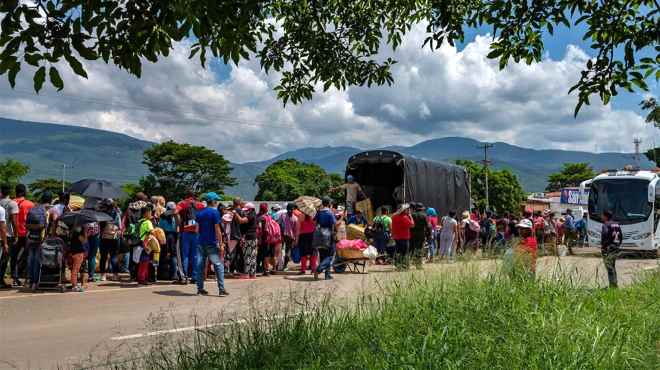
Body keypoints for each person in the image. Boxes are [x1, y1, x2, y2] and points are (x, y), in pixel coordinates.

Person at [195, 192, 228, 296]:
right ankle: (221, 289)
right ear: (213, 201)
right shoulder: (215, 213)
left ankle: (200, 289)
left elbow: (196, 229)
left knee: (200, 266)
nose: (217, 202)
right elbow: (217, 229)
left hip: (201, 243)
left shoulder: (199, 213)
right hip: (211, 244)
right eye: (216, 201)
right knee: (218, 265)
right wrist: (221, 243)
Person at [26, 191, 53, 291]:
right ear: (50, 200)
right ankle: (35, 283)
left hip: (31, 237)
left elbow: (27, 224)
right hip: (40, 239)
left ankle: (30, 281)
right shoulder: (47, 210)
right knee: (37, 261)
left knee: (31, 259)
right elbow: (46, 227)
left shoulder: (33, 208)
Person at [176, 192, 205, 283]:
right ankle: (195, 277)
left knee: (184, 255)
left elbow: (175, 211)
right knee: (195, 255)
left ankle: (184, 276)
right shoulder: (200, 204)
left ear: (186, 196)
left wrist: (178, 222)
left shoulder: (183, 203)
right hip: (197, 233)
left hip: (185, 232)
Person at [11, 184, 34, 287]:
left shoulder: (12, 203)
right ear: (24, 192)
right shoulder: (30, 204)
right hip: (26, 233)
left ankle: (15, 279)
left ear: (15, 191)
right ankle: (28, 278)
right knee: (29, 256)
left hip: (14, 234)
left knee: (14, 256)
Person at [98, 199, 122, 281]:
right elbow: (119, 226)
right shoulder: (117, 213)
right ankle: (115, 275)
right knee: (114, 256)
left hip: (104, 237)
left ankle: (102, 275)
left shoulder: (102, 213)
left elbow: (99, 226)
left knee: (103, 257)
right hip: (114, 237)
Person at [0, 184, 18, 289]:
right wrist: (16, 235)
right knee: (4, 259)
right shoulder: (12, 204)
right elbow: (15, 221)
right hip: (7, 235)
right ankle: (1, 280)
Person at [161, 202, 183, 283]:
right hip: (174, 236)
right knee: (174, 255)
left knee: (165, 254)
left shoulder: (163, 216)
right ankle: (174, 274)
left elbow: (160, 226)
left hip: (165, 235)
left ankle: (164, 274)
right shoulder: (176, 215)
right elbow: (178, 225)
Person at [314, 197, 336, 280]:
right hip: (328, 235)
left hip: (319, 235)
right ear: (329, 203)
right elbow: (334, 224)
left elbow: (315, 222)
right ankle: (319, 269)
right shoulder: (330, 213)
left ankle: (327, 275)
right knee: (330, 255)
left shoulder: (319, 212)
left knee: (323, 255)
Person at [600, 210, 622, 288]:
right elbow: (621, 237)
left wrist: (603, 247)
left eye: (602, 215)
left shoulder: (605, 224)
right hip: (616, 247)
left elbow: (605, 235)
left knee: (609, 267)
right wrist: (618, 245)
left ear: (605, 216)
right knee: (613, 266)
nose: (601, 217)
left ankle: (612, 286)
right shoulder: (617, 224)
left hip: (608, 248)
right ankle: (615, 283)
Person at [136, 204, 157, 285]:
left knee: (142, 262)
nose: (151, 214)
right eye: (149, 213)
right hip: (146, 243)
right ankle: (143, 279)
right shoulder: (148, 222)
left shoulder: (140, 221)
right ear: (145, 214)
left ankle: (141, 278)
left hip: (141, 243)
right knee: (145, 262)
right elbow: (152, 232)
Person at [390, 204, 415, 270]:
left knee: (398, 252)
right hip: (404, 237)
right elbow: (412, 225)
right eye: (407, 209)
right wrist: (410, 216)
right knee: (405, 252)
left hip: (396, 237)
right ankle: (404, 266)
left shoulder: (394, 217)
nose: (409, 211)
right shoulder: (404, 217)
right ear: (404, 210)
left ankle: (398, 265)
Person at [257, 203, 277, 276]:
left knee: (265, 255)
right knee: (272, 254)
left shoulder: (261, 218)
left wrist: (259, 238)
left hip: (265, 238)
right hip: (272, 238)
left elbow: (259, 229)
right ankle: (274, 269)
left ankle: (266, 270)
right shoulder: (269, 216)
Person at [279, 203, 299, 272]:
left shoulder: (283, 216)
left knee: (281, 250)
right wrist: (296, 239)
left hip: (282, 235)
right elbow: (296, 231)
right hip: (290, 237)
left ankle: (279, 265)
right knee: (288, 251)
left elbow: (279, 224)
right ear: (293, 209)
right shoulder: (295, 218)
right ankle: (284, 265)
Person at [69, 224, 88, 292]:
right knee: (75, 270)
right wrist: (85, 233)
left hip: (73, 252)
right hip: (78, 253)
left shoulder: (72, 231)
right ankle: (74, 285)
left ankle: (75, 284)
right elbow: (84, 241)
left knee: (74, 269)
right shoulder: (77, 233)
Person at [242, 202, 259, 279]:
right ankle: (253, 273)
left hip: (249, 237)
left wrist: (235, 214)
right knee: (253, 255)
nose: (246, 211)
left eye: (247, 210)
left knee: (247, 255)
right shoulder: (255, 215)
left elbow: (242, 221)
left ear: (251, 209)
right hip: (254, 237)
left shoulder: (251, 215)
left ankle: (246, 273)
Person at [409, 203, 428, 269]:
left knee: (411, 248)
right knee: (419, 248)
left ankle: (408, 263)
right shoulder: (424, 215)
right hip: (421, 234)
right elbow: (428, 226)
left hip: (412, 234)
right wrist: (429, 235)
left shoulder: (412, 215)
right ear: (422, 209)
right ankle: (418, 264)